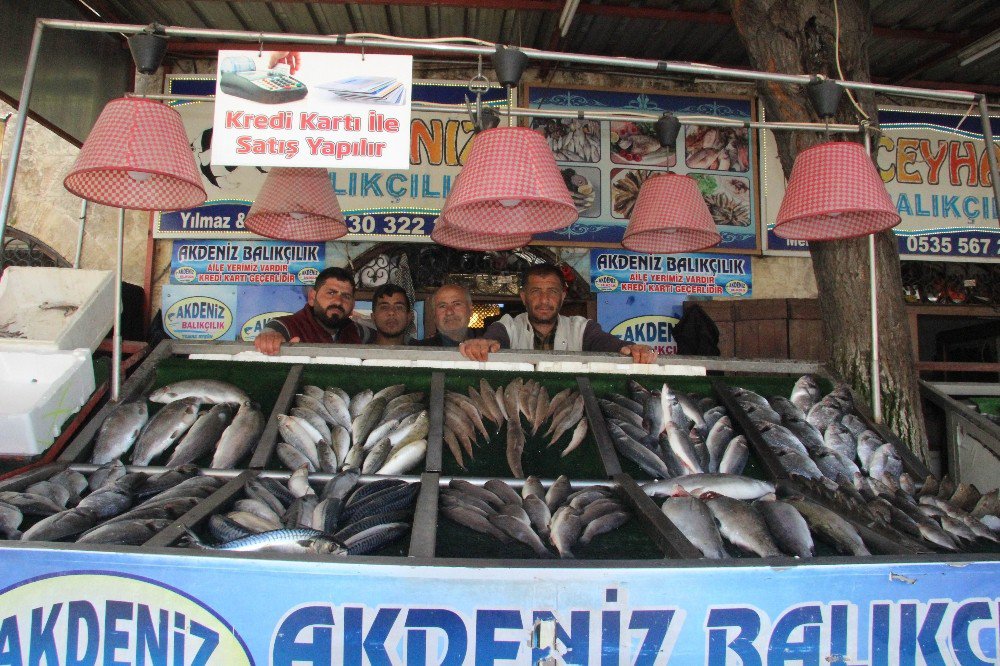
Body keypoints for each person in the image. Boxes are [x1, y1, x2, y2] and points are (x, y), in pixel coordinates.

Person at [458, 264, 657, 363]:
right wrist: (483, 343)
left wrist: (630, 348)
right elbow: (494, 337)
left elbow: (607, 343)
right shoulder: (509, 325)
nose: (544, 300)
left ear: (562, 296)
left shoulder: (581, 328)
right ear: (523, 297)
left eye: (552, 292)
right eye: (536, 292)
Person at [254, 266, 371, 355]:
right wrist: (270, 340)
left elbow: (384, 340)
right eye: (331, 293)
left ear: (353, 305)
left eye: (346, 296)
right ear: (312, 297)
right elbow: (268, 338)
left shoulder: (358, 331)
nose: (338, 301)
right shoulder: (284, 327)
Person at [417, 283, 481, 347]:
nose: (449, 312)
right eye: (442, 306)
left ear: (470, 310)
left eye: (456, 304)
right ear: (434, 315)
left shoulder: (487, 347)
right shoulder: (418, 351)